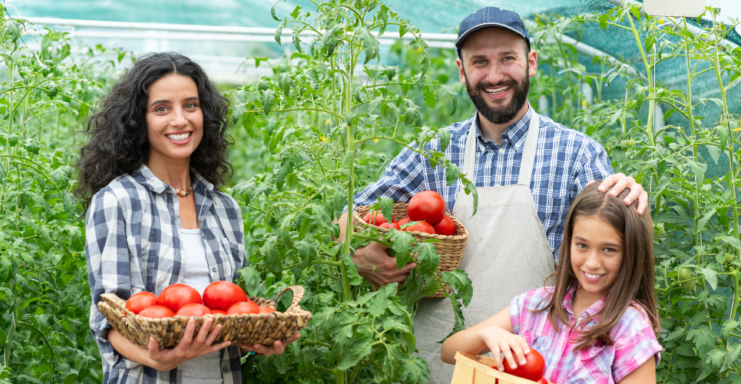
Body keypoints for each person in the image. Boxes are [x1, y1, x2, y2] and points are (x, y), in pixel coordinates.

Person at [337, 6, 649, 383]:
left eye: (507, 58)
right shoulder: (432, 152)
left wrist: (629, 199)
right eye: (480, 62)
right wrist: (360, 255)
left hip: (536, 368)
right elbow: (352, 215)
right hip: (442, 366)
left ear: (531, 62)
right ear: (462, 70)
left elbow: (612, 237)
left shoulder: (576, 153)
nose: (495, 75)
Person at [77, 52, 298, 384]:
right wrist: (154, 357)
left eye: (191, 105)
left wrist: (256, 337)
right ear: (138, 121)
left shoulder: (225, 208)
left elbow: (227, 315)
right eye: (161, 108)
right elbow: (108, 319)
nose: (180, 120)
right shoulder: (117, 202)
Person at [440, 181, 662, 383]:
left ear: (631, 252)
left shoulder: (630, 327)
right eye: (582, 245)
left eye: (609, 249)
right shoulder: (537, 304)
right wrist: (487, 334)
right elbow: (448, 352)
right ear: (569, 242)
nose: (592, 262)